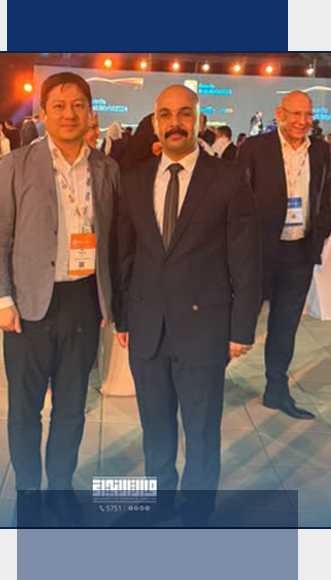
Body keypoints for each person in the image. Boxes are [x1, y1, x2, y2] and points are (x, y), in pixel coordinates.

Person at [111, 85, 261, 527]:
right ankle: (158, 502)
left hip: (204, 327)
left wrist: (242, 328)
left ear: (198, 120)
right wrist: (123, 317)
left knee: (201, 427)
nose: (174, 123)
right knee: (155, 426)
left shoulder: (228, 178)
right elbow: (124, 254)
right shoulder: (134, 178)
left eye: (183, 114)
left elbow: (246, 260)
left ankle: (197, 509)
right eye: (165, 114)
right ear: (154, 121)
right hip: (147, 326)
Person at [0, 72, 119, 527]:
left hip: (84, 301)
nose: (68, 114)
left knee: (72, 406)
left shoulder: (106, 168)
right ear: (43, 113)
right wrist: (0, 298)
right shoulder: (17, 164)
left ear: (90, 113)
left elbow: (113, 241)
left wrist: (111, 304)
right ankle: (28, 489)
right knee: (25, 409)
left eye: (78, 105)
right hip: (29, 304)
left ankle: (60, 486)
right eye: (58, 106)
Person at [236, 90, 331, 420]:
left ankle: (277, 390)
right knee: (239, 322)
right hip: (259, 252)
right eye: (295, 114)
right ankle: (208, 385)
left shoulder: (323, 152)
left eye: (307, 114)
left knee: (285, 327)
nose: (302, 121)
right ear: (280, 114)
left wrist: (320, 234)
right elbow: (238, 199)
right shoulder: (256, 148)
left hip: (299, 251)